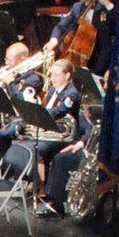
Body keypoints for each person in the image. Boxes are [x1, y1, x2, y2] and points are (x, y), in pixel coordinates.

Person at [43, 0, 115, 77]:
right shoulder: (77, 7)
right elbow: (61, 26)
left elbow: (114, 29)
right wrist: (53, 40)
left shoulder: (103, 9)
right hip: (77, 56)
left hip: (97, 62)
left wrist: (108, 4)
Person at [27, 59, 81, 193]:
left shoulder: (71, 94)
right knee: (24, 140)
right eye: (51, 75)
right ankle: (31, 180)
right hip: (48, 130)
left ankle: (42, 187)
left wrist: (38, 114)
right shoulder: (52, 90)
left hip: (62, 135)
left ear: (67, 76)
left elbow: (58, 112)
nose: (52, 78)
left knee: (38, 148)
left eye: (56, 75)